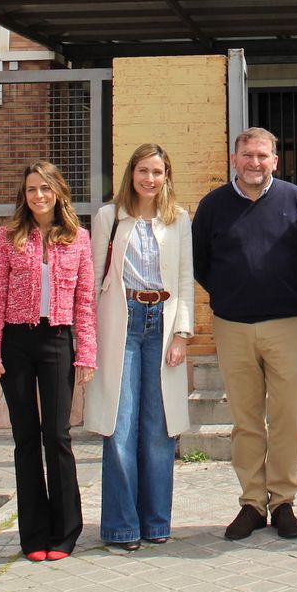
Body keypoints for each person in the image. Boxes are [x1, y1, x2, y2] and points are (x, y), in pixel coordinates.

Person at [192, 127, 297, 541]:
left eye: (263, 155)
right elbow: (201, 263)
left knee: (288, 418)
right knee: (246, 421)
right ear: (234, 159)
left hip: (286, 325)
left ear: (275, 161)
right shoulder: (213, 206)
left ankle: (283, 502)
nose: (255, 163)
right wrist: (231, 293)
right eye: (247, 155)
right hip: (233, 327)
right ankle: (252, 503)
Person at [0, 160, 96, 562]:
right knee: (25, 437)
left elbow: (85, 301)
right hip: (16, 342)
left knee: (57, 436)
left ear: (58, 192)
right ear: (24, 195)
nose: (38, 196)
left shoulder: (78, 238)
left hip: (57, 340)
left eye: (45, 188)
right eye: (31, 189)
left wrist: (87, 353)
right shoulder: (9, 235)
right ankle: (33, 535)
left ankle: (65, 532)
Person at [87, 143, 196, 551]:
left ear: (166, 176)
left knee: (158, 427)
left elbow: (185, 279)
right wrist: (88, 337)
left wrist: (182, 333)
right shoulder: (108, 217)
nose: (150, 179)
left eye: (157, 172)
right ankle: (121, 527)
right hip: (122, 321)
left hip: (162, 323)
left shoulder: (178, 219)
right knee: (120, 423)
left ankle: (155, 521)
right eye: (143, 171)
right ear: (131, 173)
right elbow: (93, 280)